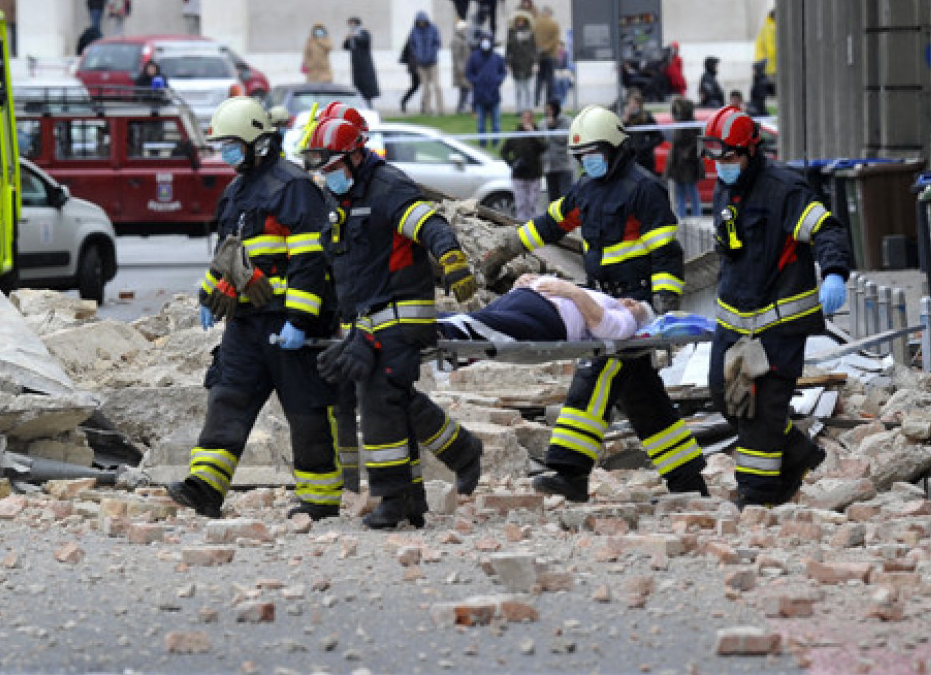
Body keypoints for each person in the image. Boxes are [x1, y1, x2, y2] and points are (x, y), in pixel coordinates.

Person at [479, 104, 708, 504]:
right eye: (582, 158)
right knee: (642, 398)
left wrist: (663, 298)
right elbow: (548, 225)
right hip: (602, 296)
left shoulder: (643, 189)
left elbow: (665, 249)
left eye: (595, 156)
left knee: (595, 375)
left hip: (631, 305)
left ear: (617, 149)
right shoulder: (585, 190)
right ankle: (687, 479)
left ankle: (570, 471)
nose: (589, 163)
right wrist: (505, 249)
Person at [166, 97, 343, 521]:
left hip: (288, 323)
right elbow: (230, 255)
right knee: (227, 397)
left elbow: (309, 260)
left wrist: (299, 320)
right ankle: (205, 487)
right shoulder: (235, 191)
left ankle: (320, 500)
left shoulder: (293, 186)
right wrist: (210, 296)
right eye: (222, 144)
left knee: (306, 411)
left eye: (232, 143)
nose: (226, 152)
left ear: (257, 142)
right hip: (246, 322)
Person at [302, 116, 483, 528]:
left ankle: (393, 497)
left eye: (331, 168)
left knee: (380, 399)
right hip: (366, 323)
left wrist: (452, 260)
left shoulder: (387, 188)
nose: (326, 177)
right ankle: (432, 480)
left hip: (402, 316)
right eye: (322, 171)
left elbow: (429, 224)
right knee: (393, 398)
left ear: (354, 156)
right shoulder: (339, 201)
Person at [700, 106, 851, 508]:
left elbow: (826, 230)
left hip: (779, 325)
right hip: (734, 322)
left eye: (729, 157)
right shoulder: (725, 188)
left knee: (764, 408)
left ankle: (757, 494)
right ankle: (799, 453)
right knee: (725, 397)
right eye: (716, 157)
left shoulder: (785, 190)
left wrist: (834, 271)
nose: (722, 166)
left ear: (751, 151)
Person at [439, 274, 654, 343]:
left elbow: (605, 327)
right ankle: (421, 323)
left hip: (547, 320)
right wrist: (527, 281)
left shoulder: (626, 322)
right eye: (632, 300)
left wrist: (572, 292)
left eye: (637, 308)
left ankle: (429, 328)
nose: (630, 303)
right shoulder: (605, 299)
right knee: (473, 320)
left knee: (478, 327)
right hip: (524, 299)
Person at [501, 110, 546, 222]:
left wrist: (533, 134)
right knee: (521, 204)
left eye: (528, 118)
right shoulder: (516, 134)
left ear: (532, 119)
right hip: (519, 175)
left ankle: (533, 226)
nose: (526, 121)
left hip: (534, 175)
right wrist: (512, 163)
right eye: (524, 118)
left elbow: (544, 147)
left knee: (532, 204)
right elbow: (504, 151)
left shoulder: (538, 133)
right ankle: (521, 225)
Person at [466, 33, 506, 148]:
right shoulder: (474, 57)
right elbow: (469, 72)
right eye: (483, 40)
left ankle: (496, 142)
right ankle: (482, 143)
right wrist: (476, 81)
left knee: (496, 122)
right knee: (481, 123)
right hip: (480, 95)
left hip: (494, 94)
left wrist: (497, 80)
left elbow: (503, 72)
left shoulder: (497, 57)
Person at [665, 96, 703, 218]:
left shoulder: (692, 124)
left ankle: (697, 215)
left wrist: (686, 155)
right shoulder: (679, 123)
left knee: (691, 190)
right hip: (677, 164)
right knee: (680, 192)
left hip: (688, 164)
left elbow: (696, 144)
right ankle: (680, 217)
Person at [408, 12, 443, 115]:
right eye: (420, 21)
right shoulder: (414, 31)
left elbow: (437, 43)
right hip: (421, 64)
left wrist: (432, 53)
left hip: (433, 63)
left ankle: (440, 109)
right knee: (425, 88)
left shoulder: (433, 29)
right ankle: (428, 110)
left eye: (423, 21)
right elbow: (412, 45)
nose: (422, 23)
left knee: (437, 86)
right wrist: (417, 55)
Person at [620, 89, 660, 174]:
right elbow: (621, 136)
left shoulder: (647, 118)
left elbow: (659, 137)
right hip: (631, 160)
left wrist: (645, 147)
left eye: (635, 103)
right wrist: (624, 122)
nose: (633, 106)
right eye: (631, 103)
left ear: (640, 105)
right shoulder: (627, 119)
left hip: (645, 160)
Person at [541, 99, 574, 203]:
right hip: (549, 166)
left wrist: (552, 128)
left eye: (550, 109)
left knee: (565, 197)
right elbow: (541, 140)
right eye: (547, 109)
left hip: (563, 165)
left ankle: (567, 218)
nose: (549, 112)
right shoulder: (543, 123)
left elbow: (564, 139)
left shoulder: (566, 121)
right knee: (553, 198)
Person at [343, 17, 380, 107]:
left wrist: (355, 36)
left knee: (367, 89)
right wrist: (348, 39)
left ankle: (369, 106)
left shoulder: (364, 33)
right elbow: (345, 47)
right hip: (356, 66)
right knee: (358, 88)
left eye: (352, 23)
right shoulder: (351, 35)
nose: (351, 25)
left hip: (365, 65)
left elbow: (365, 41)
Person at [505, 9, 537, 113]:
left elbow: (534, 49)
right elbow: (508, 49)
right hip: (516, 64)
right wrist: (507, 63)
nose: (520, 22)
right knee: (518, 88)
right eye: (518, 20)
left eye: (522, 20)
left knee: (528, 88)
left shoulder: (530, 34)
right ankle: (519, 109)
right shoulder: (511, 34)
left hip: (528, 64)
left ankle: (529, 108)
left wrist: (535, 63)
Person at [531, 6, 562, 106]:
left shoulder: (535, 24)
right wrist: (546, 48)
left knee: (539, 79)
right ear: (549, 13)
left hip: (539, 56)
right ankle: (548, 101)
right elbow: (555, 40)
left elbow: (532, 38)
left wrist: (539, 49)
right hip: (550, 55)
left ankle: (536, 100)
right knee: (550, 80)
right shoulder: (554, 25)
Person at [451, 20, 472, 114]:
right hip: (461, 69)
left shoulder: (463, 39)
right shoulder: (456, 40)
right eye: (463, 29)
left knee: (465, 89)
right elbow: (456, 57)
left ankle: (462, 107)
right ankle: (460, 108)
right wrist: (460, 70)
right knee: (464, 89)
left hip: (466, 68)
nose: (465, 30)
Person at [753, 9, 777, 91]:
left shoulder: (766, 26)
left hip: (762, 62)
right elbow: (770, 48)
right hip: (768, 64)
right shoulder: (771, 27)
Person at [398, 37, 420, 114]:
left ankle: (403, 101)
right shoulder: (413, 37)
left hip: (417, 65)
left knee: (416, 86)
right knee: (415, 86)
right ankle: (403, 101)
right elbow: (407, 51)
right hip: (416, 65)